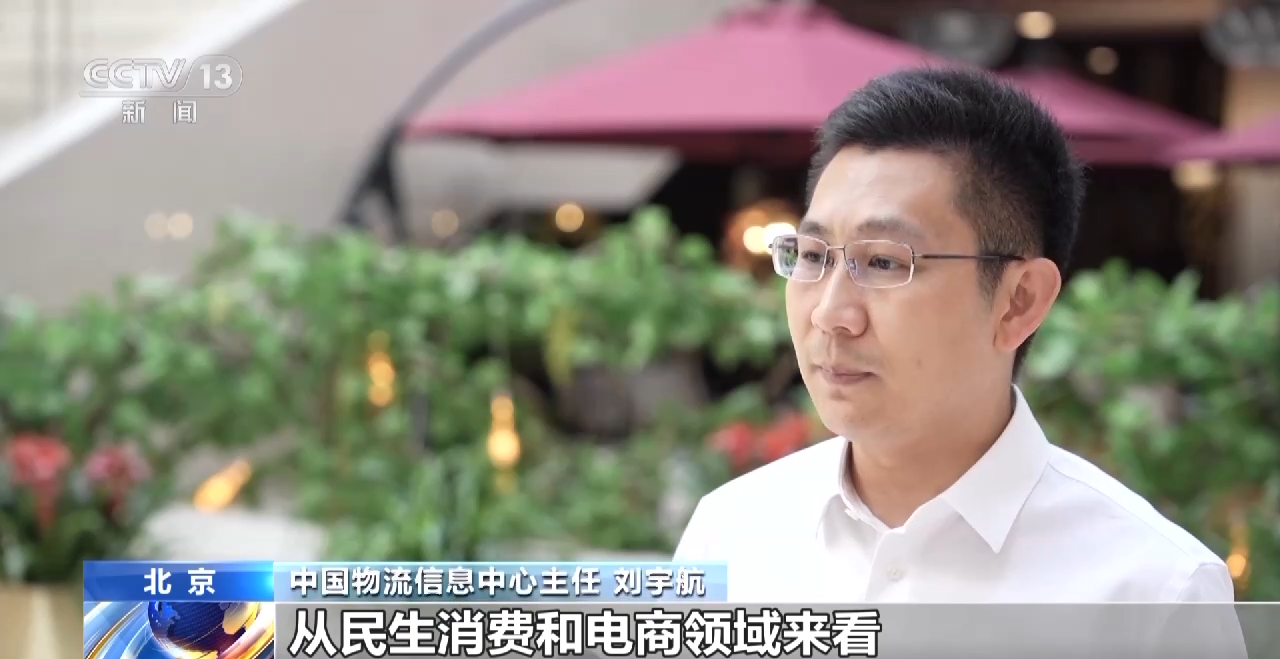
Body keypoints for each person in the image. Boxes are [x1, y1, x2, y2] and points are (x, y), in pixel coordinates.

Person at [673, 68, 1239, 610]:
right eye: (814, 256)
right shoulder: (729, 535)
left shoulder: (1152, 592)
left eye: (885, 262)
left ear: (1019, 301)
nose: (830, 313)